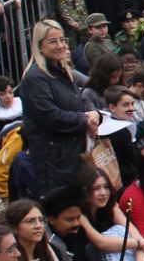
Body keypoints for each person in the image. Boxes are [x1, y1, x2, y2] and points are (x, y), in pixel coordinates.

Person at [17, 21, 91, 198]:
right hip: (54, 162)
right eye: (52, 41)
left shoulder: (63, 72)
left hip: (73, 154)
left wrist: (93, 116)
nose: (60, 45)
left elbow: (77, 104)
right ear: (39, 46)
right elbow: (51, 117)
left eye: (62, 40)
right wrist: (85, 118)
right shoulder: (35, 78)